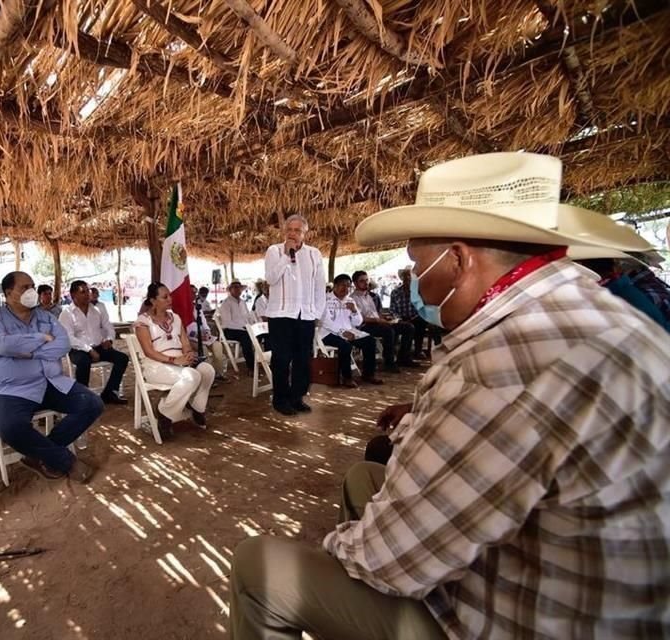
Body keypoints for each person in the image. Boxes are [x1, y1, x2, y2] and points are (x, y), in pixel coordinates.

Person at [229, 152, 670, 640]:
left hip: (511, 616)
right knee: (363, 479)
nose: (416, 279)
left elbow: (387, 560)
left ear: (458, 259)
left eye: (418, 263)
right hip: (571, 581)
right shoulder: (592, 312)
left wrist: (340, 552)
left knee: (259, 567)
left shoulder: (503, 361)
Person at [0, 272, 101, 483]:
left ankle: (39, 455)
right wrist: (41, 338)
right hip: (9, 389)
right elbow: (3, 345)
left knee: (92, 404)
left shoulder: (46, 317)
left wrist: (28, 352)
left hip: (50, 381)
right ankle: (65, 461)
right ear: (8, 293)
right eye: (24, 287)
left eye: (32, 286)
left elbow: (63, 345)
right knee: (11, 427)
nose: (31, 291)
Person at [133, 283, 215, 438]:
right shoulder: (143, 322)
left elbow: (184, 342)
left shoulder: (175, 317)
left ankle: (197, 407)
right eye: (165, 297)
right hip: (156, 366)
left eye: (169, 295)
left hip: (180, 364)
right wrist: (174, 360)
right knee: (192, 376)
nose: (170, 299)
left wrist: (188, 354)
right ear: (153, 300)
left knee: (207, 370)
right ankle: (165, 412)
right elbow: (149, 352)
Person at [263, 214, 326, 416]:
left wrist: (316, 312)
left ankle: (296, 397)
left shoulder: (314, 254)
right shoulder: (274, 251)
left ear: (304, 233)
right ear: (284, 231)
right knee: (281, 359)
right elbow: (271, 279)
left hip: (305, 315)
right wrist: (286, 256)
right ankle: (280, 399)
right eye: (289, 230)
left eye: (297, 231)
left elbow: (319, 286)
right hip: (281, 315)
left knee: (303, 359)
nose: (292, 234)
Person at [59, 280, 128, 405]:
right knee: (83, 362)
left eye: (88, 291)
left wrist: (109, 339)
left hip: (99, 346)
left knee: (122, 358)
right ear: (73, 295)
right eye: (83, 292)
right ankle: (82, 398)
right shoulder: (67, 313)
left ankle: (109, 392)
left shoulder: (97, 309)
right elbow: (68, 337)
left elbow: (108, 326)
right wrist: (88, 350)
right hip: (78, 349)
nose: (87, 294)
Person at [320, 274, 381, 386]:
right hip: (328, 333)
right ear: (335, 286)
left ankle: (368, 374)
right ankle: (347, 377)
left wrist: (353, 311)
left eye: (349, 286)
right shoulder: (325, 300)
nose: (346, 289)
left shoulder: (350, 300)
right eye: (343, 285)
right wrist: (342, 332)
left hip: (349, 331)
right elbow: (325, 321)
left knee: (370, 341)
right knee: (345, 345)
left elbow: (358, 322)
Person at [351, 270, 417, 372]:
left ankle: (403, 356)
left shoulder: (368, 296)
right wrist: (378, 320)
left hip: (376, 322)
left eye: (366, 280)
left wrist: (385, 318)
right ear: (355, 283)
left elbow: (376, 313)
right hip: (364, 325)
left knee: (408, 327)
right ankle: (389, 362)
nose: (366, 283)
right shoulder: (353, 298)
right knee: (388, 330)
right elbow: (360, 318)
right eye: (362, 281)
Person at [390, 267, 442, 358]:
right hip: (402, 318)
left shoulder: (419, 292)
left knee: (427, 323)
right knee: (408, 326)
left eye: (411, 278)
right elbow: (393, 309)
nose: (408, 280)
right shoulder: (395, 292)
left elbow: (424, 306)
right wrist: (399, 319)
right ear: (403, 279)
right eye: (406, 278)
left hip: (416, 316)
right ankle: (407, 353)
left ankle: (432, 349)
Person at [217, 280, 254, 371]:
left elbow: (248, 317)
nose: (238, 290)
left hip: (243, 328)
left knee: (260, 334)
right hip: (230, 330)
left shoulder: (243, 302)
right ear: (230, 290)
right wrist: (243, 328)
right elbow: (227, 322)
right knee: (246, 337)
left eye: (239, 288)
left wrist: (252, 325)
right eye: (235, 288)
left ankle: (261, 360)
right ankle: (252, 366)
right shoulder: (226, 303)